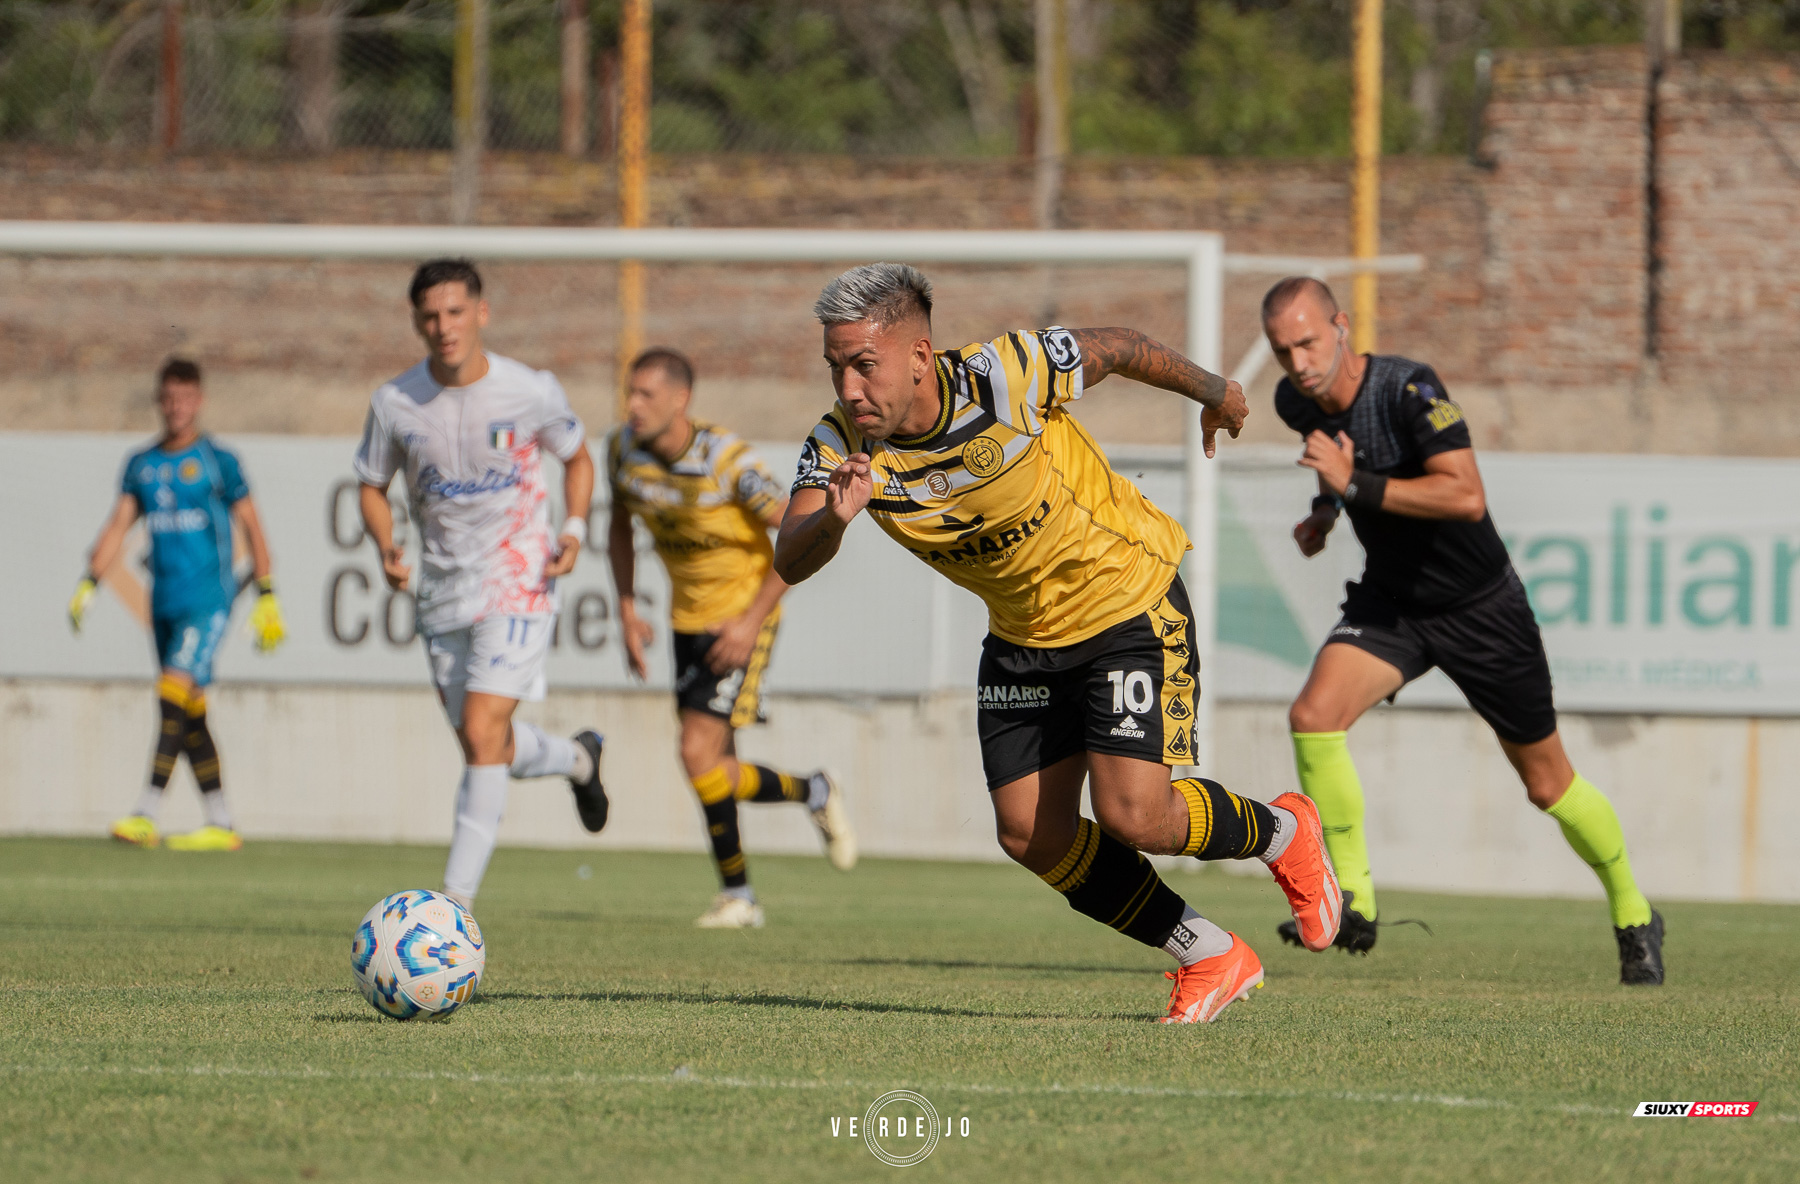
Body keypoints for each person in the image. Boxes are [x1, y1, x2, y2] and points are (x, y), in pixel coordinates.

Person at [774, 263, 1342, 1024]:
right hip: (1021, 639)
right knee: (1029, 834)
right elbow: (790, 557)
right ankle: (1208, 951)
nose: (848, 388)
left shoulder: (1006, 375)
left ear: (918, 356)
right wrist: (834, 520)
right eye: (836, 368)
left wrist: (1216, 392)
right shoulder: (839, 443)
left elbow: (1126, 346)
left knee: (1136, 818)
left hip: (1125, 603)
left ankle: (1284, 831)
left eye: (863, 365)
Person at [1260, 275, 1663, 984]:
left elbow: (1466, 495)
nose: (1298, 362)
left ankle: (1634, 913)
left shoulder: (1410, 390)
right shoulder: (1295, 401)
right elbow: (1336, 464)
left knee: (1547, 785)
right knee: (1313, 714)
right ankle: (1352, 898)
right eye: (1282, 349)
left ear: (1342, 326)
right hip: (1393, 605)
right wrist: (1326, 512)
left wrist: (1353, 488)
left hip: (1481, 608)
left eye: (1308, 341)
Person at [354, 258, 610, 913]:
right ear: (417, 322)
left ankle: (453, 908)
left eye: (456, 313)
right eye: (432, 317)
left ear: (481, 313)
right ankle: (578, 759)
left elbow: (578, 457)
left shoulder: (529, 391)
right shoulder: (396, 403)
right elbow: (372, 485)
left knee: (481, 725)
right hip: (443, 591)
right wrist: (387, 545)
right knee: (484, 743)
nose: (445, 327)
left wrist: (575, 529)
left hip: (518, 578)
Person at [607, 348, 855, 929]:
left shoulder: (727, 461)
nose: (632, 406)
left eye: (645, 394)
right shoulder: (622, 450)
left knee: (696, 754)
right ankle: (810, 795)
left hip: (744, 617)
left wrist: (749, 622)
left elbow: (797, 530)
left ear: (680, 400)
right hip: (684, 622)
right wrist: (625, 606)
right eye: (629, 393)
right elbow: (618, 522)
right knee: (716, 767)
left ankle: (740, 897)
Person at [71, 357, 287, 852]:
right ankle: (222, 821)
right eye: (169, 398)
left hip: (208, 601)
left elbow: (253, 528)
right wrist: (89, 583)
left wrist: (266, 593)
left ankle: (146, 813)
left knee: (170, 695)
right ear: (159, 401)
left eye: (186, 398)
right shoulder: (141, 464)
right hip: (163, 605)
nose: (177, 408)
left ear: (200, 401)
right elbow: (118, 525)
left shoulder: (219, 460)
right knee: (189, 714)